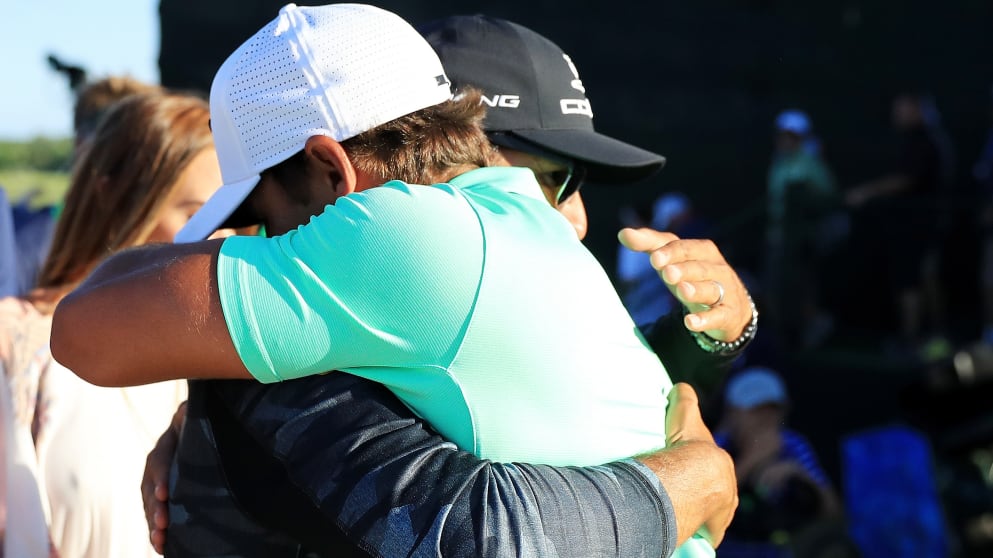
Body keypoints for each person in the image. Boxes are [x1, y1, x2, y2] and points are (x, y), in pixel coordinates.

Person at [58, 6, 742, 557]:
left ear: (331, 169)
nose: (262, 243)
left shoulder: (397, 232)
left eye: (266, 220)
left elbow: (85, 328)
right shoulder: (527, 224)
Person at [0, 91, 227, 558]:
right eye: (197, 214)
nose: (222, 238)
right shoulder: (17, 340)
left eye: (234, 216)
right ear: (116, 196)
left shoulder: (218, 354)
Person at [845, 91, 955, 355]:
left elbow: (906, 179)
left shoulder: (926, 142)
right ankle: (932, 334)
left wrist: (866, 192)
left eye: (902, 108)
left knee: (912, 279)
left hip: (919, 225)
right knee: (925, 276)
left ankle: (913, 339)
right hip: (923, 223)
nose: (897, 114)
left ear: (916, 109)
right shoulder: (922, 140)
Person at [714, 367, 845, 557]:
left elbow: (833, 513)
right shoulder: (715, 444)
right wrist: (752, 459)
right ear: (733, 414)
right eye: (756, 411)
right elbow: (704, 505)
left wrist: (798, 474)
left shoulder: (793, 445)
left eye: (773, 411)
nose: (765, 420)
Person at [763, 110, 841, 350]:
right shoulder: (779, 163)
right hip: (779, 238)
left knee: (802, 287)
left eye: (791, 136)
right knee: (776, 287)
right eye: (783, 135)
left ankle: (808, 331)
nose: (785, 140)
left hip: (801, 241)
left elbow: (827, 196)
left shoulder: (811, 165)